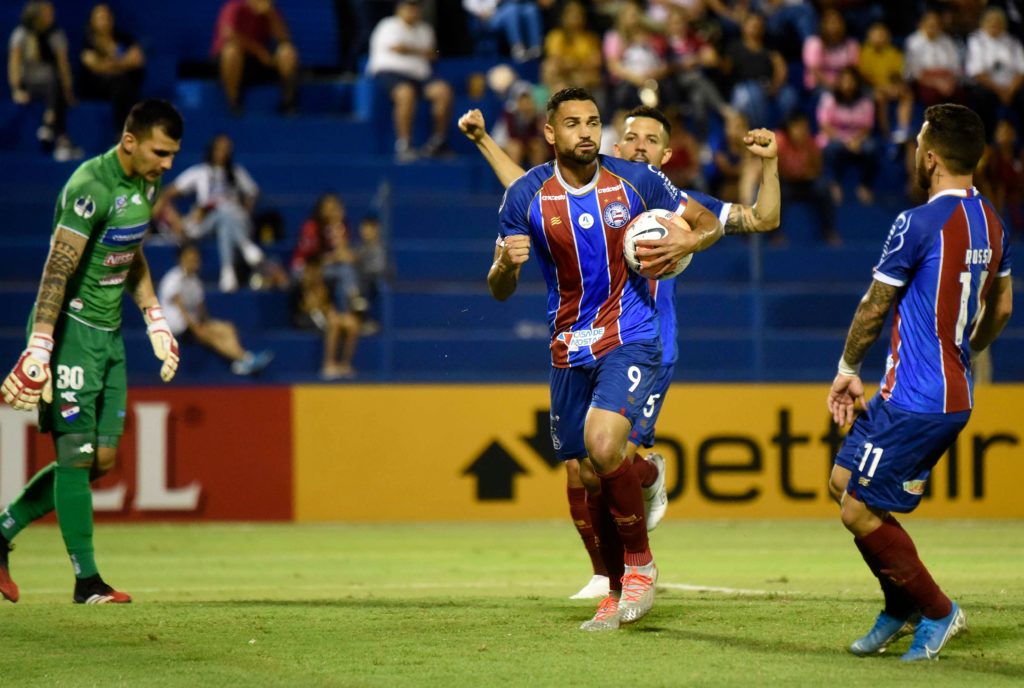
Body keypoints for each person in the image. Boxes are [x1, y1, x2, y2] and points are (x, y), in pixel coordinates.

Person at [460, 103, 780, 603]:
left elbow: (763, 217)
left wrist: (697, 234)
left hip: (645, 340)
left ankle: (635, 564)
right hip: (577, 342)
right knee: (583, 466)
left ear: (667, 153)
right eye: (629, 137)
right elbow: (528, 190)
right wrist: (484, 141)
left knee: (610, 451)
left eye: (650, 140)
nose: (636, 146)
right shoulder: (596, 188)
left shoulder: (661, 195)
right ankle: (607, 571)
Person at [826, 104, 1013, 661]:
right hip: (933, 391)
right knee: (842, 481)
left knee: (857, 510)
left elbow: (873, 307)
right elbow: (1001, 307)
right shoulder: (994, 222)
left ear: (930, 157)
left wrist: (846, 369)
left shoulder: (917, 222)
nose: (913, 155)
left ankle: (937, 610)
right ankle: (901, 604)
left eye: (917, 146)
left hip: (917, 400)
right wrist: (967, 350)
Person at [0, 99, 185, 605]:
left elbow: (130, 251)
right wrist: (40, 344)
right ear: (130, 141)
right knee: (76, 459)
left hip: (110, 334)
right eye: (160, 152)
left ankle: (0, 531)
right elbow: (57, 269)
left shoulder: (146, 183)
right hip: (71, 334)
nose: (168, 164)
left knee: (101, 459)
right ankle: (87, 582)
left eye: (172, 155)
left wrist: (155, 318)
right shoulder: (90, 187)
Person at [156, 133, 265, 293]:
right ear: (212, 150)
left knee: (225, 223)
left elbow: (253, 193)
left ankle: (228, 273)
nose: (223, 152)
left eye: (227, 149)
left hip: (231, 221)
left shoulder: (236, 173)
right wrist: (175, 220)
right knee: (223, 210)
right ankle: (244, 245)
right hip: (206, 222)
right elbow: (168, 193)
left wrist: (246, 210)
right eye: (220, 148)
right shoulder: (199, 172)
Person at [158, 242, 274, 376]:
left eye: (196, 257)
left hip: (192, 323)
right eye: (190, 257)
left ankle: (242, 363)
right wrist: (199, 329)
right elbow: (181, 308)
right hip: (175, 327)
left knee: (227, 327)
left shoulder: (196, 282)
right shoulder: (173, 279)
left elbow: (201, 310)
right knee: (210, 336)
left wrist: (208, 324)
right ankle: (246, 358)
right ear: (181, 259)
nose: (194, 260)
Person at [365, 0, 453, 162]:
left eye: (416, 6)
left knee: (443, 91)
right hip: (390, 73)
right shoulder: (388, 25)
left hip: (420, 77)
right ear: (399, 9)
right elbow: (397, 47)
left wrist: (412, 50)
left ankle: (438, 142)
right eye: (409, 6)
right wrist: (419, 51)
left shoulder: (425, 29)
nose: (412, 10)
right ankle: (404, 145)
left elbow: (433, 53)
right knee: (406, 93)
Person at [7, 0, 82, 161]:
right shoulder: (20, 34)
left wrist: (68, 91)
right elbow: (14, 64)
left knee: (56, 84)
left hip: (51, 85)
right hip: (29, 84)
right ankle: (60, 138)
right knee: (55, 88)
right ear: (36, 14)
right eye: (47, 12)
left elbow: (63, 66)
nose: (51, 15)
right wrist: (17, 90)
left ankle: (49, 127)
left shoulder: (56, 34)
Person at [211, 0, 299, 115]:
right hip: (233, 63)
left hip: (260, 64)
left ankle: (288, 104)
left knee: (287, 51)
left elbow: (284, 38)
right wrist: (259, 51)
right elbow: (229, 34)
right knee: (231, 52)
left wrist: (270, 14)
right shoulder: (234, 6)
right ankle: (234, 104)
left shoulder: (270, 9)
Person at [78, 3, 145, 137]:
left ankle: (132, 132)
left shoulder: (123, 37)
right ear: (92, 21)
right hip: (97, 87)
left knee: (124, 83)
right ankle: (122, 132)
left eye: (106, 17)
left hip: (124, 84)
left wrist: (111, 63)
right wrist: (123, 63)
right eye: (100, 18)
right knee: (121, 81)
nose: (104, 21)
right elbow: (96, 66)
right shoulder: (88, 42)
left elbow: (138, 59)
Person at [816, 66, 878, 206]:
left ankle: (865, 186)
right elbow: (825, 125)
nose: (848, 84)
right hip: (835, 139)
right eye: (844, 81)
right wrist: (845, 141)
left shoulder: (865, 101)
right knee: (831, 149)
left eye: (851, 81)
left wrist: (856, 140)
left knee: (871, 148)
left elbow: (867, 127)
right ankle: (834, 185)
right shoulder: (829, 98)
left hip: (858, 140)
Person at [775, 111, 840, 244]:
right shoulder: (779, 141)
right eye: (798, 127)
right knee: (776, 193)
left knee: (823, 188)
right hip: (786, 183)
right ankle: (775, 234)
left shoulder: (811, 143)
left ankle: (829, 231)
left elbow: (817, 169)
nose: (802, 131)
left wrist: (803, 173)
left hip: (806, 184)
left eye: (805, 127)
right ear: (790, 127)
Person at [292, 257, 361, 379]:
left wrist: (331, 312)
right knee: (333, 322)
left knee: (352, 323)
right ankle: (328, 365)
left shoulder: (326, 285)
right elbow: (305, 309)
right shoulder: (300, 288)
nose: (314, 274)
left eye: (317, 270)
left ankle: (345, 365)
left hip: (325, 316)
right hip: (307, 319)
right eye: (311, 271)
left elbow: (329, 306)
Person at [965, 7, 1024, 138]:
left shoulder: (1012, 41)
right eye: (991, 21)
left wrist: (1010, 90)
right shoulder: (976, 40)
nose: (995, 24)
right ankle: (987, 139)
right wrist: (1000, 91)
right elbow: (977, 72)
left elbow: (1021, 69)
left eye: (998, 21)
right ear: (984, 23)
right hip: (988, 86)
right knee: (983, 96)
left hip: (1011, 87)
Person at [462, 0, 543, 62]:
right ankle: (518, 47)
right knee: (511, 9)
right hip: (488, 19)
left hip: (507, 10)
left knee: (530, 9)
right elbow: (469, 5)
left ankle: (535, 47)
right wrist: (483, 11)